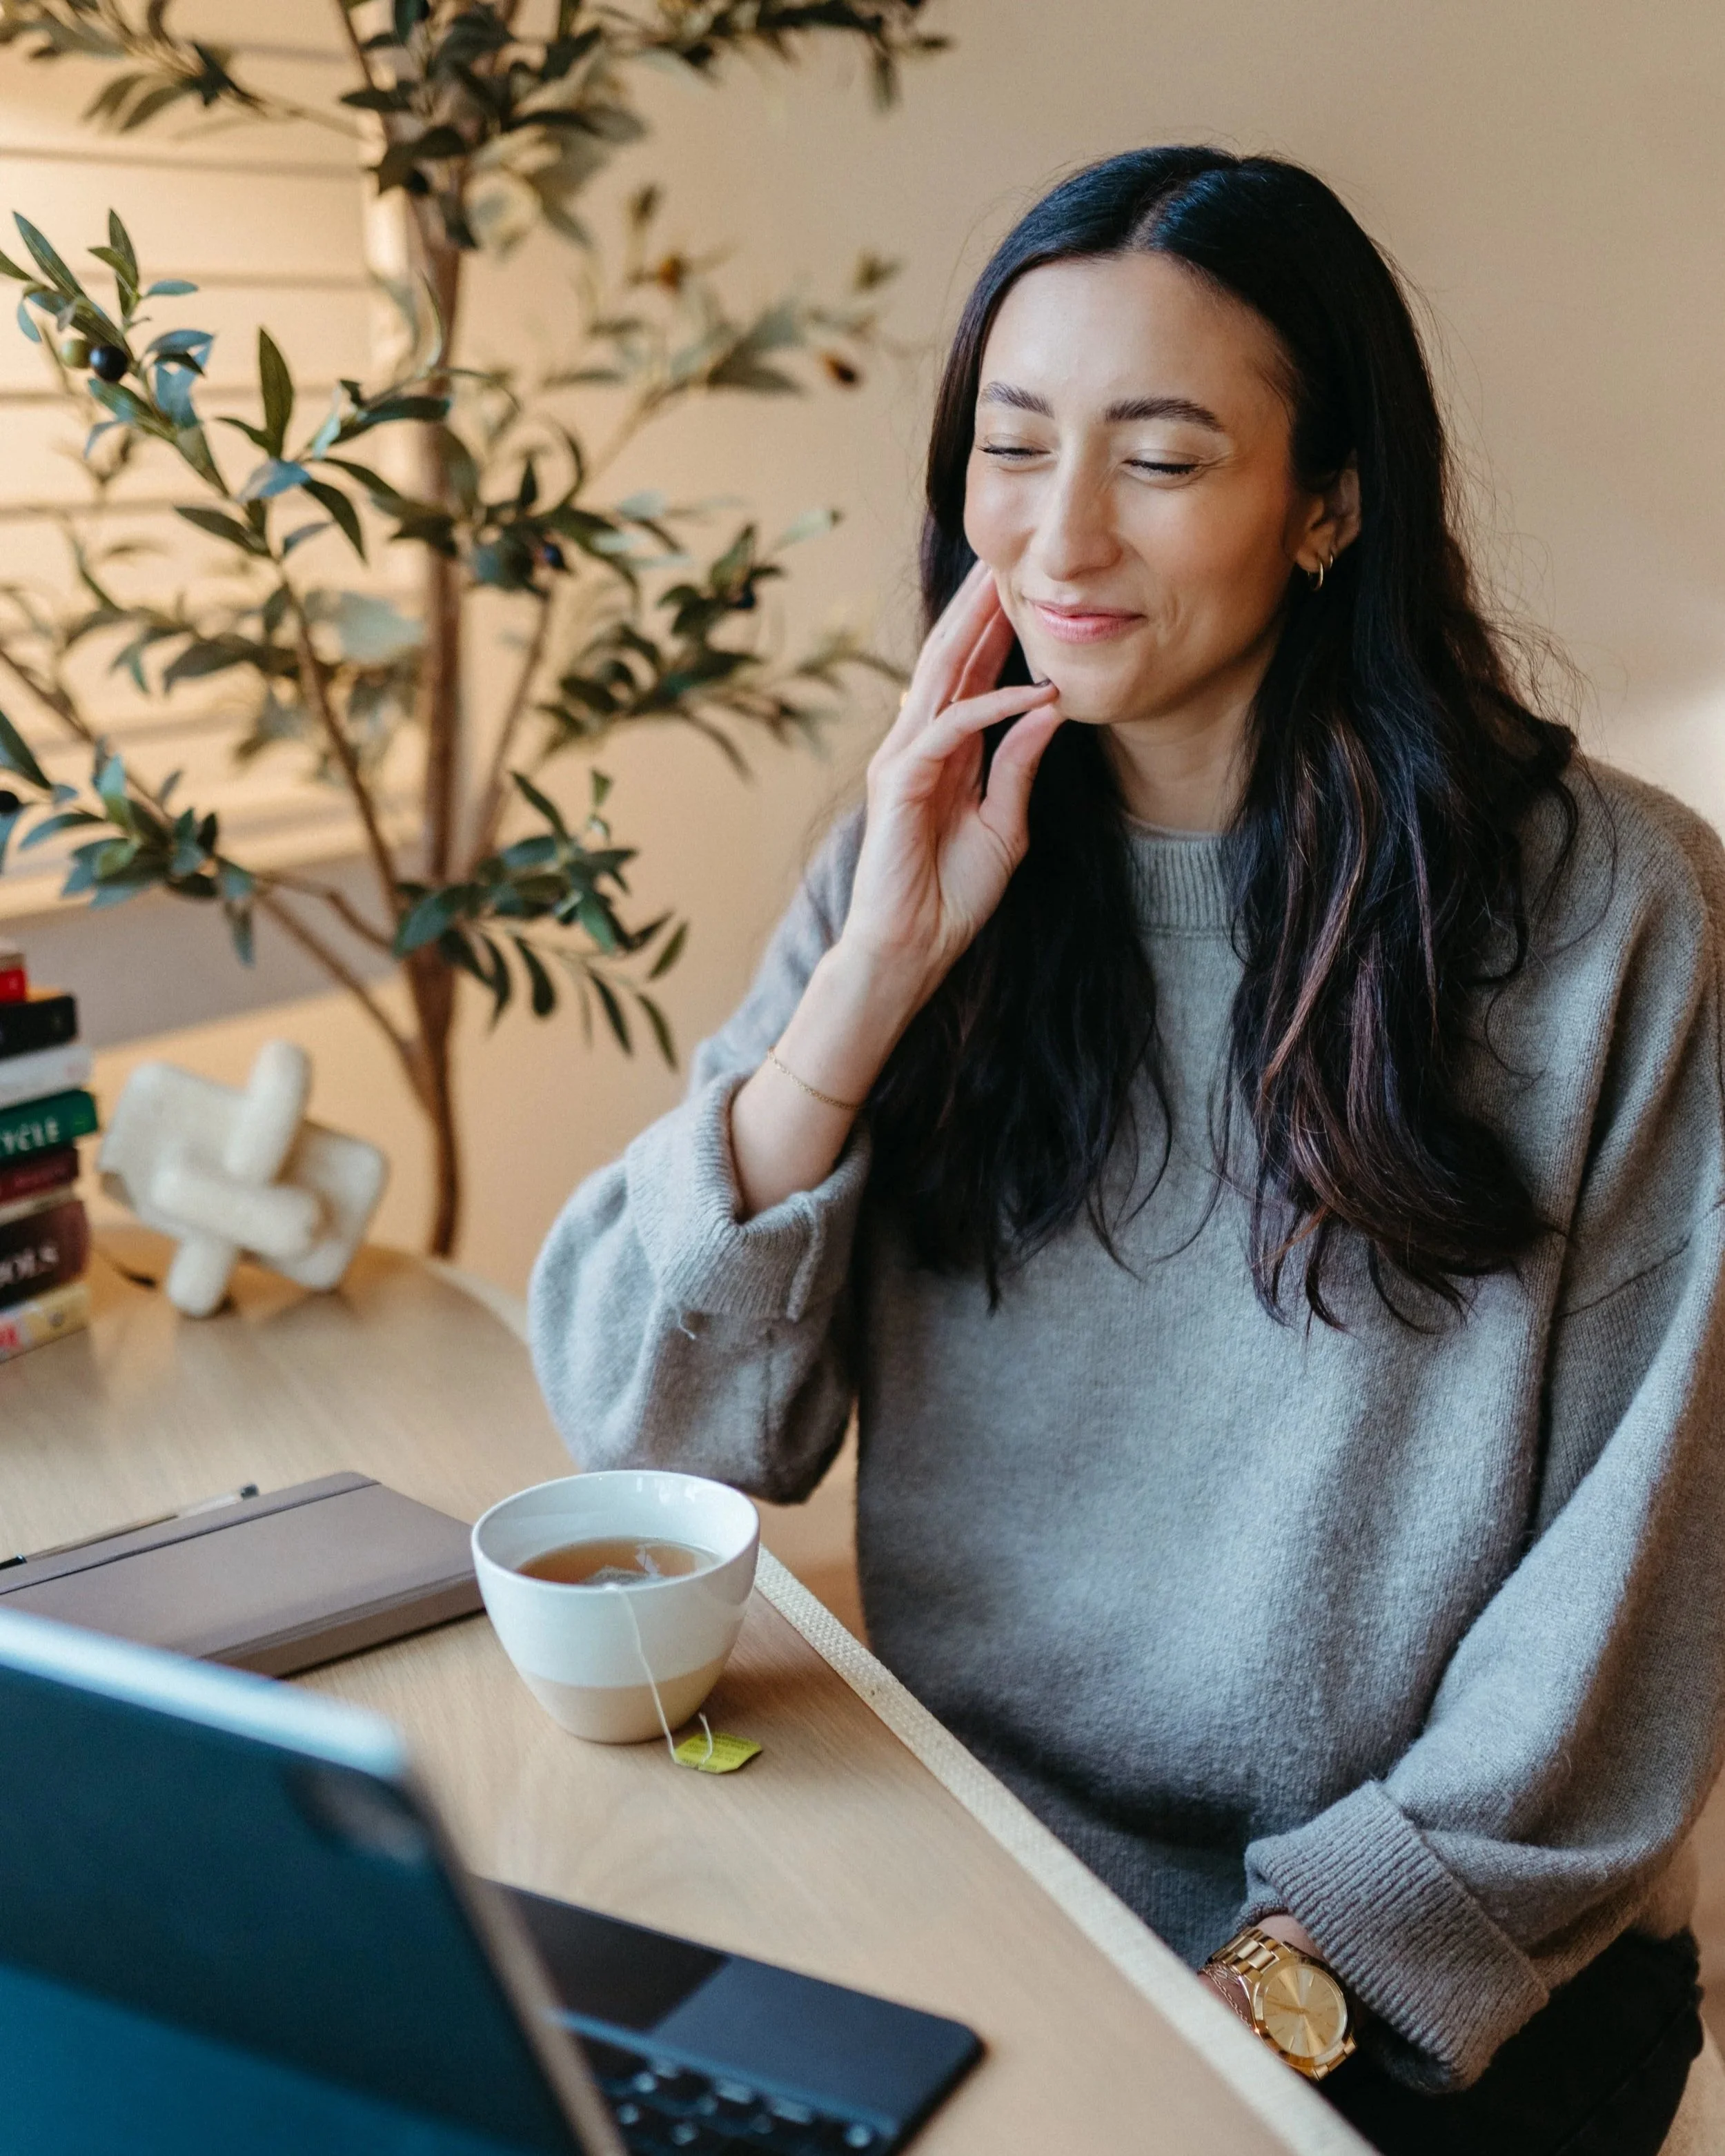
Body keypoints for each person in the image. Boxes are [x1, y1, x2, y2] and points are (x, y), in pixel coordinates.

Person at [528, 147, 1725, 2153]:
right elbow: (651, 1439)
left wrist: (1246, 2018)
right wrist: (867, 987)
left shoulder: (1618, 924)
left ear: (1326, 503)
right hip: (972, 1875)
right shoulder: (922, 858)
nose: (1055, 533)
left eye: (1160, 460)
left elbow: (1606, 1671)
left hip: (1403, 1973)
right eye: (1011, 447)